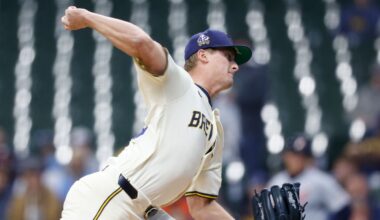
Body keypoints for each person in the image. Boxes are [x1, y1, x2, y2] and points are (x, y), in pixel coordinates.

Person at [60, 5, 252, 220]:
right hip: (112, 197)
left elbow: (202, 206)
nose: (235, 66)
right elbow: (141, 43)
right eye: (228, 56)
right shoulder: (179, 83)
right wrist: (86, 17)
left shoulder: (215, 131)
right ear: (203, 55)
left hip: (144, 211)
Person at [267, 134, 352, 220]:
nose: (296, 160)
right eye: (293, 155)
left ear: (307, 158)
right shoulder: (276, 182)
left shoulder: (320, 179)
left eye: (301, 156)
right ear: (285, 156)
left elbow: (343, 208)